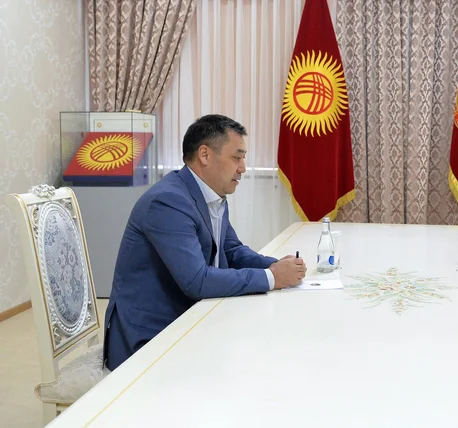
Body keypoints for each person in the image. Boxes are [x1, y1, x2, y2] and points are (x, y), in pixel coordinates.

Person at [103, 114, 306, 370]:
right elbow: (196, 281)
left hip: (187, 318)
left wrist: (277, 266)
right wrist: (272, 277)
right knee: (252, 363)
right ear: (205, 155)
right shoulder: (168, 201)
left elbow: (231, 251)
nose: (243, 168)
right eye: (237, 157)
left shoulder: (212, 194)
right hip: (149, 337)